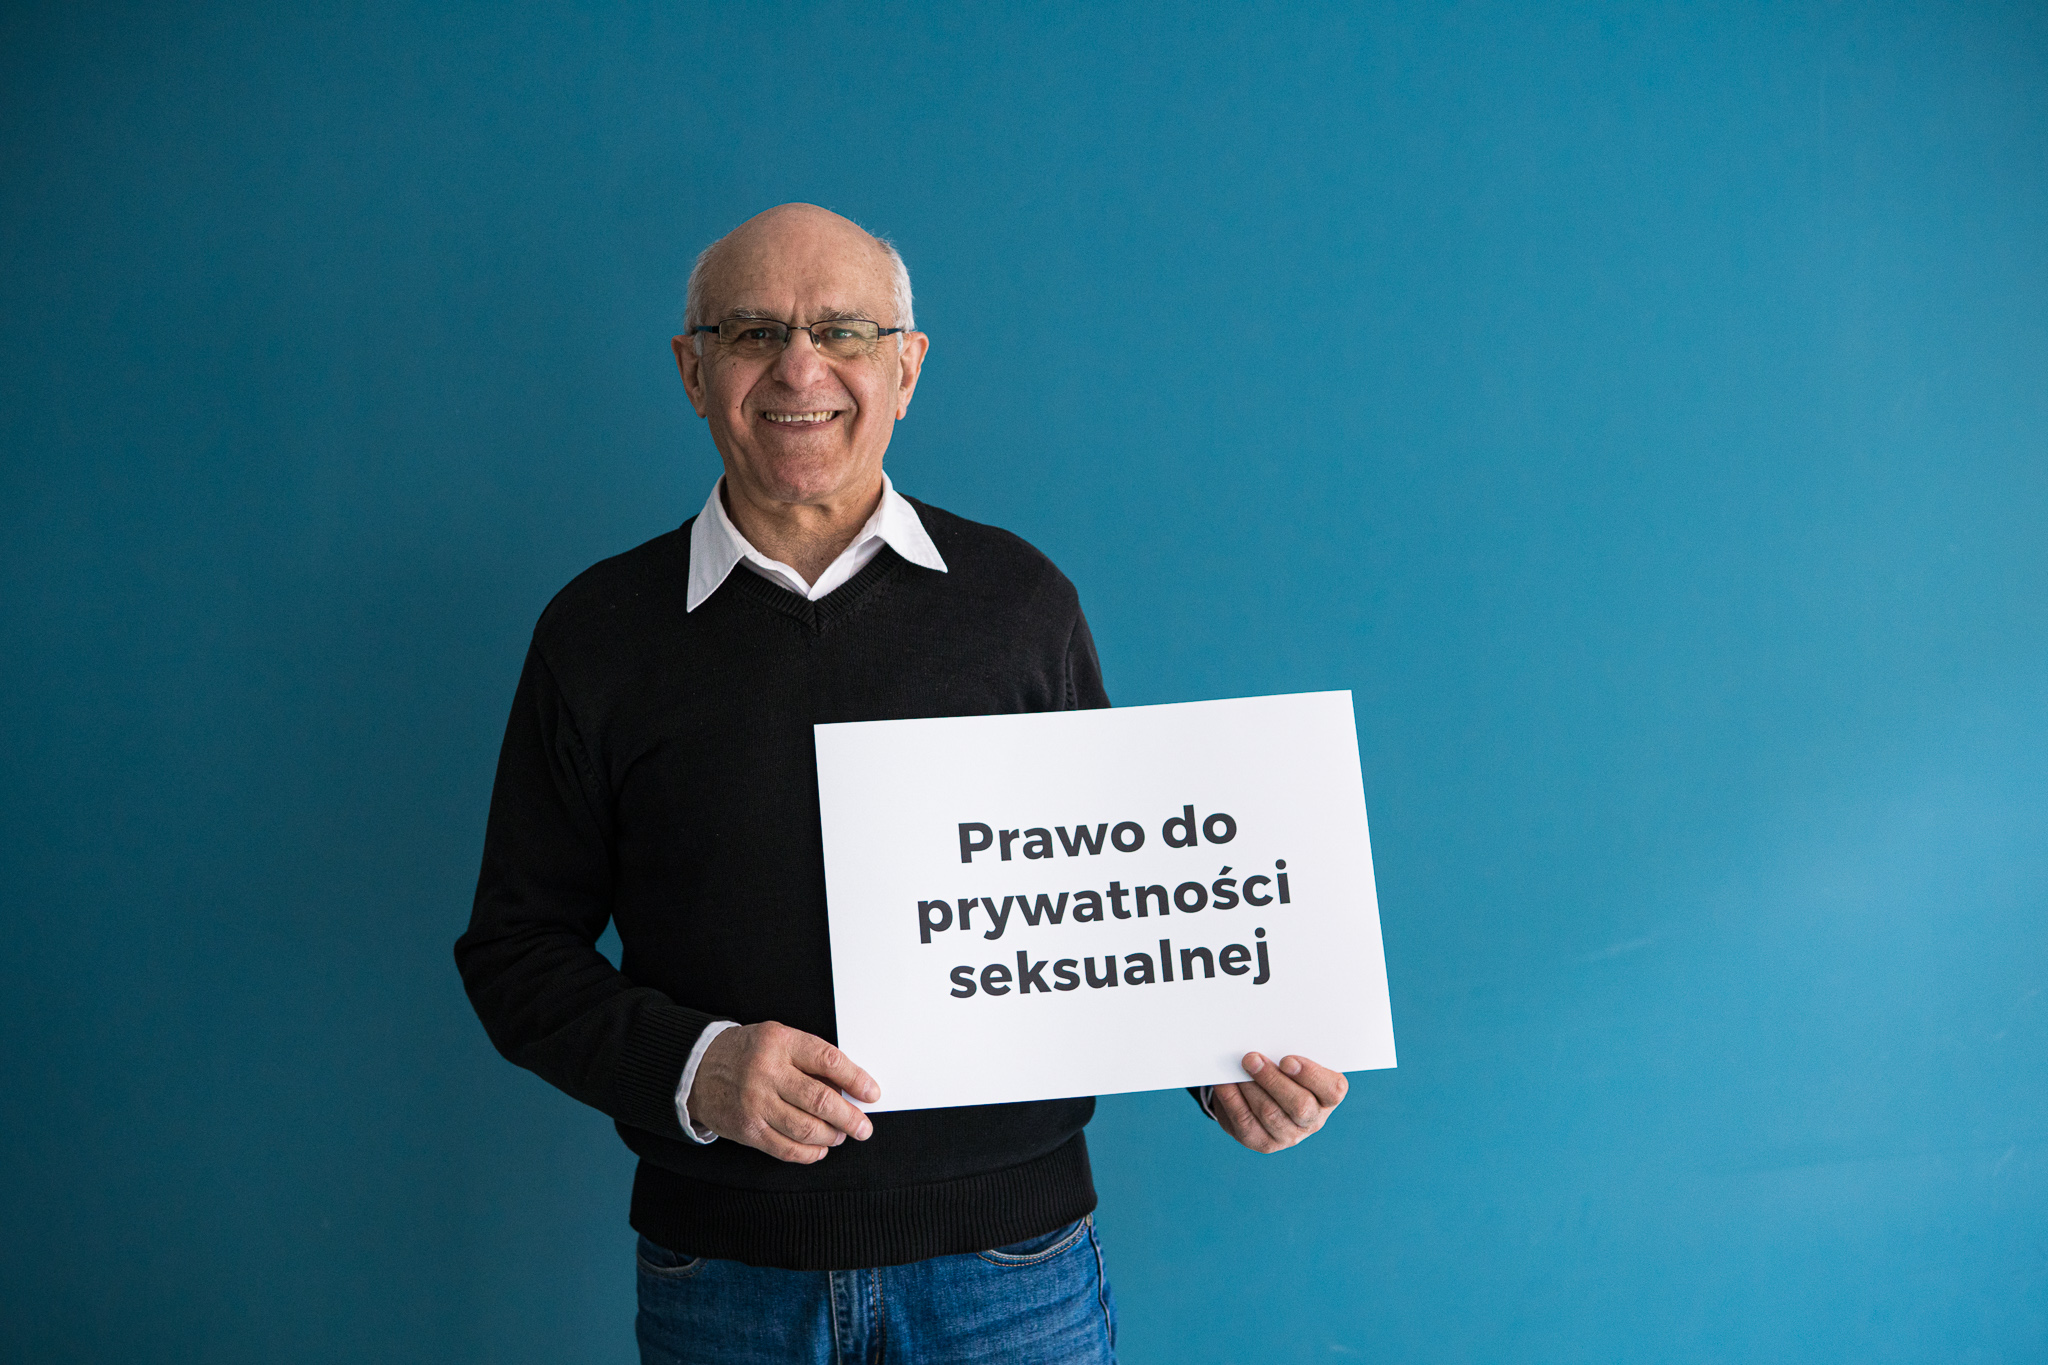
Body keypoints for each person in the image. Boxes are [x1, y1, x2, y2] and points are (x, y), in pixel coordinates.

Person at [454, 203, 1349, 1365]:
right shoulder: (597, 633)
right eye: (752, 332)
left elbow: (1119, 895)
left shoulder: (1019, 604)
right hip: (722, 1278)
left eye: (843, 331)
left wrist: (1224, 1059)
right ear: (691, 370)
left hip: (1010, 1273)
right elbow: (514, 951)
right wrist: (692, 1067)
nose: (799, 369)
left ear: (906, 369)